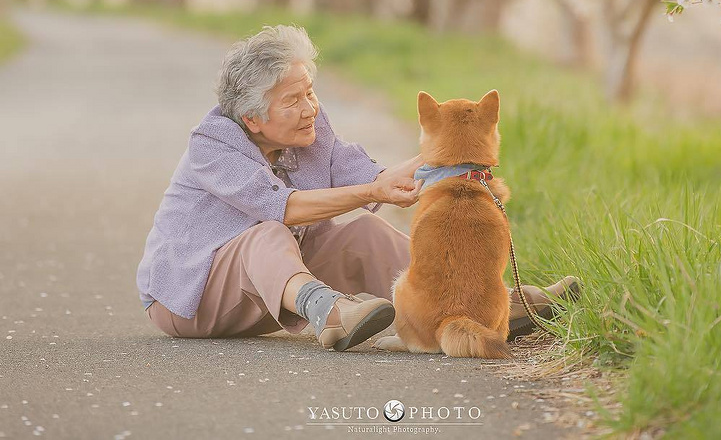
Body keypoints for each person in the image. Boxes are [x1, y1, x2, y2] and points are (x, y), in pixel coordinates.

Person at [137, 23, 579, 351]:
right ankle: (330, 312)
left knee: (361, 233)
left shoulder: (310, 127)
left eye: (309, 92)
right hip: (190, 300)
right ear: (252, 119)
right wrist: (374, 193)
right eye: (293, 101)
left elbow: (366, 174)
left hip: (268, 288)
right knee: (267, 232)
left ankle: (474, 304)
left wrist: (450, 156)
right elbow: (282, 208)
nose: (310, 107)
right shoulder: (212, 145)